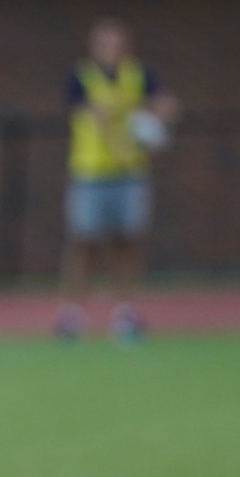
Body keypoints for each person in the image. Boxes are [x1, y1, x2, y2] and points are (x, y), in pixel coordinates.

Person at [55, 18, 180, 342]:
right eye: (105, 44)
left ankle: (125, 312)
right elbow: (85, 110)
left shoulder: (139, 75)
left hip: (129, 174)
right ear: (94, 48)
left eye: (117, 44)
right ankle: (72, 313)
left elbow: (164, 103)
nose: (111, 50)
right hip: (91, 172)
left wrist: (160, 115)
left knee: (128, 242)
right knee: (84, 242)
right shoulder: (81, 77)